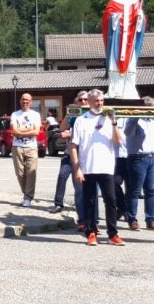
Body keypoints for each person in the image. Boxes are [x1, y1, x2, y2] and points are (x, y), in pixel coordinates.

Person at [71, 89, 125, 246]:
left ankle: (112, 234)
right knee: (89, 201)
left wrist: (114, 122)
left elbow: (117, 141)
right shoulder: (82, 120)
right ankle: (91, 232)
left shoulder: (109, 120)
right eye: (96, 101)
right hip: (88, 167)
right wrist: (77, 168)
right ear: (89, 101)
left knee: (111, 200)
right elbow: (73, 145)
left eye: (101, 100)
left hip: (106, 167)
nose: (99, 103)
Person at [102, 0, 146, 99]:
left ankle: (129, 90)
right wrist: (114, 18)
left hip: (130, 39)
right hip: (117, 39)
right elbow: (106, 19)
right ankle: (114, 90)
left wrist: (140, 18)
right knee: (114, 64)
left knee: (131, 65)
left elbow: (141, 23)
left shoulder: (136, 1)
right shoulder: (114, 1)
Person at [49, 91, 91, 231]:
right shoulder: (73, 114)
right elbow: (61, 129)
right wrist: (69, 115)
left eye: (86, 99)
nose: (84, 102)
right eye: (81, 100)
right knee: (64, 177)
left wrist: (71, 133)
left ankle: (91, 219)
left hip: (86, 155)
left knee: (86, 189)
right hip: (70, 153)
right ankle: (62, 206)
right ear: (77, 101)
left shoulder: (92, 115)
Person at [124, 96, 154, 231]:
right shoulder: (133, 119)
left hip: (151, 157)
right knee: (134, 191)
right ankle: (132, 219)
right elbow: (128, 133)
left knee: (150, 190)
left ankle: (151, 219)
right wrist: (136, 116)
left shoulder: (152, 121)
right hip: (137, 158)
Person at [10, 93, 41, 207]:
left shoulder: (35, 115)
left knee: (31, 172)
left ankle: (28, 197)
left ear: (31, 102)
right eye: (23, 100)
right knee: (19, 173)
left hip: (32, 147)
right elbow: (14, 131)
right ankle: (25, 194)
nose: (25, 102)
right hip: (17, 146)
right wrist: (29, 129)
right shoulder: (15, 114)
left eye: (27, 100)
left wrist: (20, 131)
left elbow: (36, 132)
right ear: (20, 101)